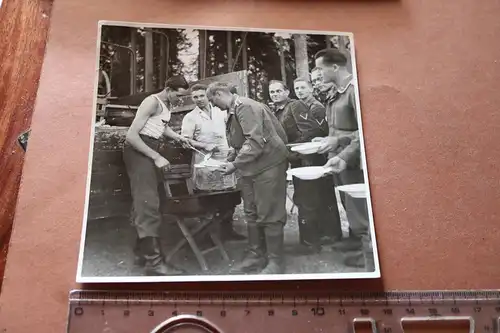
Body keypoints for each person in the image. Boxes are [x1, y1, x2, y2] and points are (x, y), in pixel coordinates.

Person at [206, 82, 289, 275]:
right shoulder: (235, 109)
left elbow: (254, 141)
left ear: (219, 94)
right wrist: (233, 157)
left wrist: (235, 164)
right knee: (251, 212)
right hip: (252, 167)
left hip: (268, 166)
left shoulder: (245, 106)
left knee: (270, 213)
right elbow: (242, 142)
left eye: (212, 100)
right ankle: (256, 255)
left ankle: (276, 262)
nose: (214, 105)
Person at [122, 75, 193, 276]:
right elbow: (131, 136)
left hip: (150, 147)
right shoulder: (151, 102)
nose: (181, 100)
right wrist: (156, 157)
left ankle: (140, 254)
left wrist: (179, 137)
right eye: (179, 95)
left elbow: (161, 125)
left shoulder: (166, 104)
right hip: (138, 150)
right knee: (148, 203)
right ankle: (154, 264)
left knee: (150, 202)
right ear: (168, 88)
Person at [314, 48, 375, 271]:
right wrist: (329, 139)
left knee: (362, 213)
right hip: (340, 159)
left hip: (353, 160)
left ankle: (372, 260)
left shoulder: (354, 91)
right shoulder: (337, 92)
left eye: (320, 69)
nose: (318, 74)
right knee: (351, 209)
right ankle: (363, 250)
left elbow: (366, 130)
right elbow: (339, 128)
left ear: (335, 67)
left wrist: (339, 143)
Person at [268, 80, 342, 252]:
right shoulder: (277, 111)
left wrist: (296, 150)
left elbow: (311, 131)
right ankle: (319, 238)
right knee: (307, 199)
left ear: (287, 92)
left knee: (308, 200)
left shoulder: (295, 106)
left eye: (279, 91)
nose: (275, 94)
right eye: (272, 92)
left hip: (306, 159)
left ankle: (311, 243)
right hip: (296, 158)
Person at [181, 84, 245, 241]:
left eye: (201, 96)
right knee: (209, 200)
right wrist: (204, 145)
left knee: (230, 197)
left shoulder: (220, 111)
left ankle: (227, 231)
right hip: (205, 161)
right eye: (195, 97)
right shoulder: (190, 117)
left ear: (208, 96)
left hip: (225, 157)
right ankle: (207, 235)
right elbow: (185, 141)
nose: (199, 100)